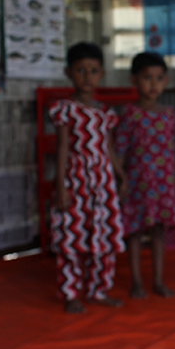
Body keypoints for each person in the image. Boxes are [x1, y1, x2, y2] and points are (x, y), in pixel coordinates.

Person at [50, 42, 127, 314]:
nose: (87, 76)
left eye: (93, 71)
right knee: (71, 235)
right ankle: (70, 292)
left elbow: (107, 147)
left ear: (102, 74)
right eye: (80, 70)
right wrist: (60, 186)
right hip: (75, 180)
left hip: (103, 183)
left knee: (103, 236)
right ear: (68, 72)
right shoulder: (65, 109)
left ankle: (98, 289)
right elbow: (61, 148)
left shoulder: (105, 113)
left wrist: (121, 175)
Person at [115, 52, 175, 299]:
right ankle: (137, 283)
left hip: (163, 185)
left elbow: (173, 151)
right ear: (134, 80)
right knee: (133, 233)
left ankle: (159, 281)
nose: (153, 84)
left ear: (166, 80)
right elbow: (119, 152)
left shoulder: (168, 113)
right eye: (147, 78)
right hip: (136, 185)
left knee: (159, 233)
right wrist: (120, 181)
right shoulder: (129, 114)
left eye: (159, 78)